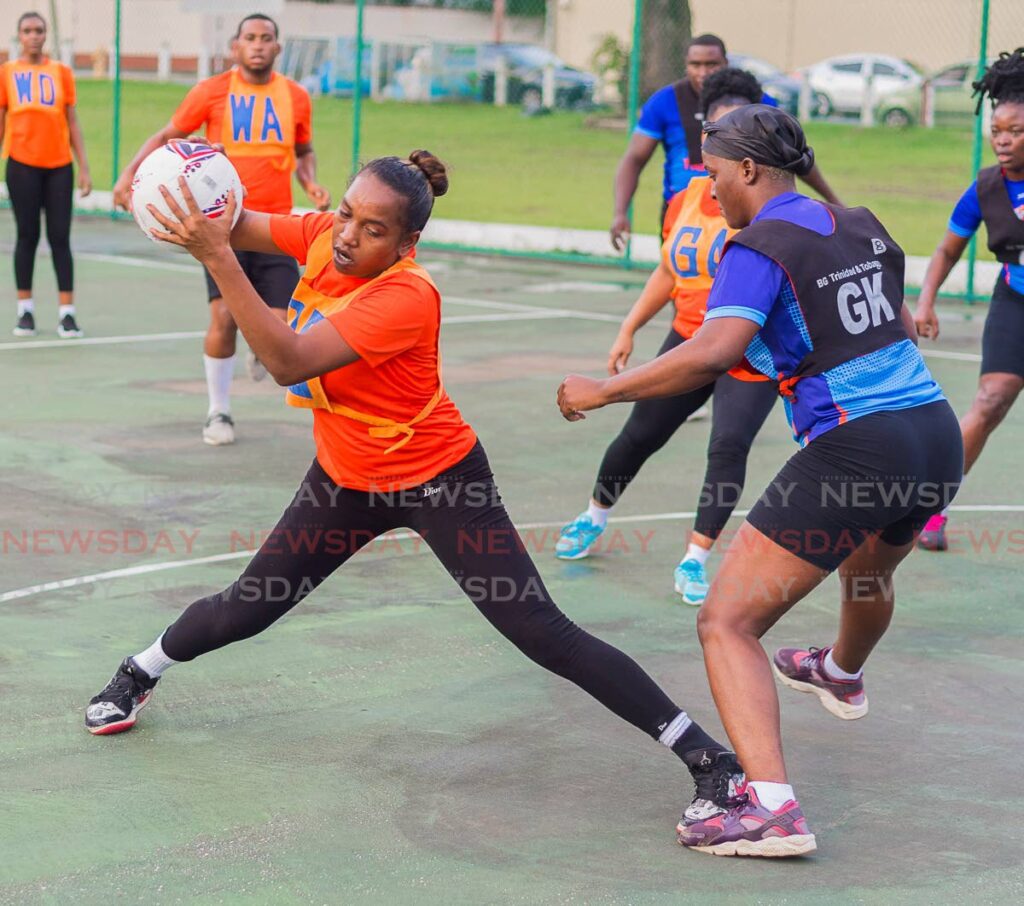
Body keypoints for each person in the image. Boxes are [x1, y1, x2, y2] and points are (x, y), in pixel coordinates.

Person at [85, 148, 749, 834]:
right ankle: (139, 671)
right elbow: (240, 221)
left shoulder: (407, 295)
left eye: (372, 229)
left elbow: (286, 361)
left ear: (407, 244)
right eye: (346, 213)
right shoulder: (321, 237)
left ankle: (711, 761)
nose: (347, 234)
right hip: (347, 481)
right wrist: (183, 202)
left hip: (440, 481)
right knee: (248, 605)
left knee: (541, 632)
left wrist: (216, 257)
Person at [558, 106, 962, 856]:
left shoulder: (757, 245)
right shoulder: (862, 223)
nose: (710, 195)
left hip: (858, 449)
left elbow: (713, 350)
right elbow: (897, 325)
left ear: (747, 169)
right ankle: (841, 672)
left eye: (713, 176)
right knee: (868, 572)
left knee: (727, 622)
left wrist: (603, 390)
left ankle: (770, 807)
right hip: (935, 436)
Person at [555, 69, 778, 608]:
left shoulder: (766, 209)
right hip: (688, 337)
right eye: (713, 127)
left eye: (734, 129)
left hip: (750, 347)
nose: (718, 138)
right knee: (639, 435)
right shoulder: (687, 198)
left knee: (727, 446)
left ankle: (695, 558)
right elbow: (667, 271)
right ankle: (594, 516)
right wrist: (629, 327)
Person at [112, 12, 331, 446]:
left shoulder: (296, 97)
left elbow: (304, 151)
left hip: (275, 225)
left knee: (282, 328)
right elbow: (167, 136)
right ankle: (218, 411)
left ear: (277, 48)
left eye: (266, 38)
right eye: (249, 38)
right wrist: (127, 176)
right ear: (236, 46)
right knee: (223, 316)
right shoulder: (211, 92)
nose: (257, 45)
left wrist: (310, 182)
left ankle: (260, 348)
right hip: (220, 228)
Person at [913, 48, 1024, 552]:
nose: (1002, 139)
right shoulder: (984, 188)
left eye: (1015, 131)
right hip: (1015, 301)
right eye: (996, 129)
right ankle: (932, 507)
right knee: (990, 400)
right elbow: (946, 249)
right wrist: (926, 300)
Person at [610, 33, 840, 250]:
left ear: (726, 62)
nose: (703, 72)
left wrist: (833, 200)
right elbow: (634, 159)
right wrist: (620, 212)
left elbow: (791, 155)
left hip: (745, 209)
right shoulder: (664, 102)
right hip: (684, 210)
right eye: (695, 64)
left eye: (711, 64)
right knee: (680, 281)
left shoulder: (759, 102)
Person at [0, 10, 90, 338]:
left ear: (46, 34)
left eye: (39, 30)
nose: (34, 36)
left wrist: (84, 167)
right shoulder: (7, 73)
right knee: (27, 236)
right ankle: (26, 311)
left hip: (59, 167)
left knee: (59, 237)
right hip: (22, 165)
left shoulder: (61, 72)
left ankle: (67, 313)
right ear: (19, 36)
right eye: (27, 30)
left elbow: (72, 121)